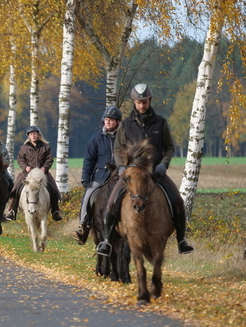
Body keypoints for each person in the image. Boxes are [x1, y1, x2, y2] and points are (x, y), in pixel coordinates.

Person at [96, 84, 194, 256]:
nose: (142, 105)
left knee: (177, 200)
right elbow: (118, 149)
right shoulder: (125, 124)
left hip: (156, 172)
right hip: (132, 174)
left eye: (145, 102)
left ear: (149, 101)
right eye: (139, 102)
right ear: (134, 102)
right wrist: (122, 167)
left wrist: (164, 164)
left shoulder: (160, 123)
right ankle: (106, 240)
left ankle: (182, 239)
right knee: (111, 202)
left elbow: (169, 147)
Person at [72, 105, 122, 245]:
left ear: (118, 122)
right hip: (101, 175)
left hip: (120, 174)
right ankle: (83, 227)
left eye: (111, 120)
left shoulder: (124, 137)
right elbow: (89, 159)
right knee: (88, 196)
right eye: (106, 119)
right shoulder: (96, 137)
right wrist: (85, 178)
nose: (107, 122)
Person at [4, 125, 62, 222]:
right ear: (28, 136)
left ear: (38, 135)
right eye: (31, 134)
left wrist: (45, 168)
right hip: (27, 174)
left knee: (53, 188)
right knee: (16, 188)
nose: (33, 136)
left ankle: (55, 211)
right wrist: (25, 167)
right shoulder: (24, 148)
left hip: (42, 173)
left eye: (35, 133)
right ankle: (12, 211)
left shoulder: (46, 147)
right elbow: (20, 160)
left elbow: (49, 159)